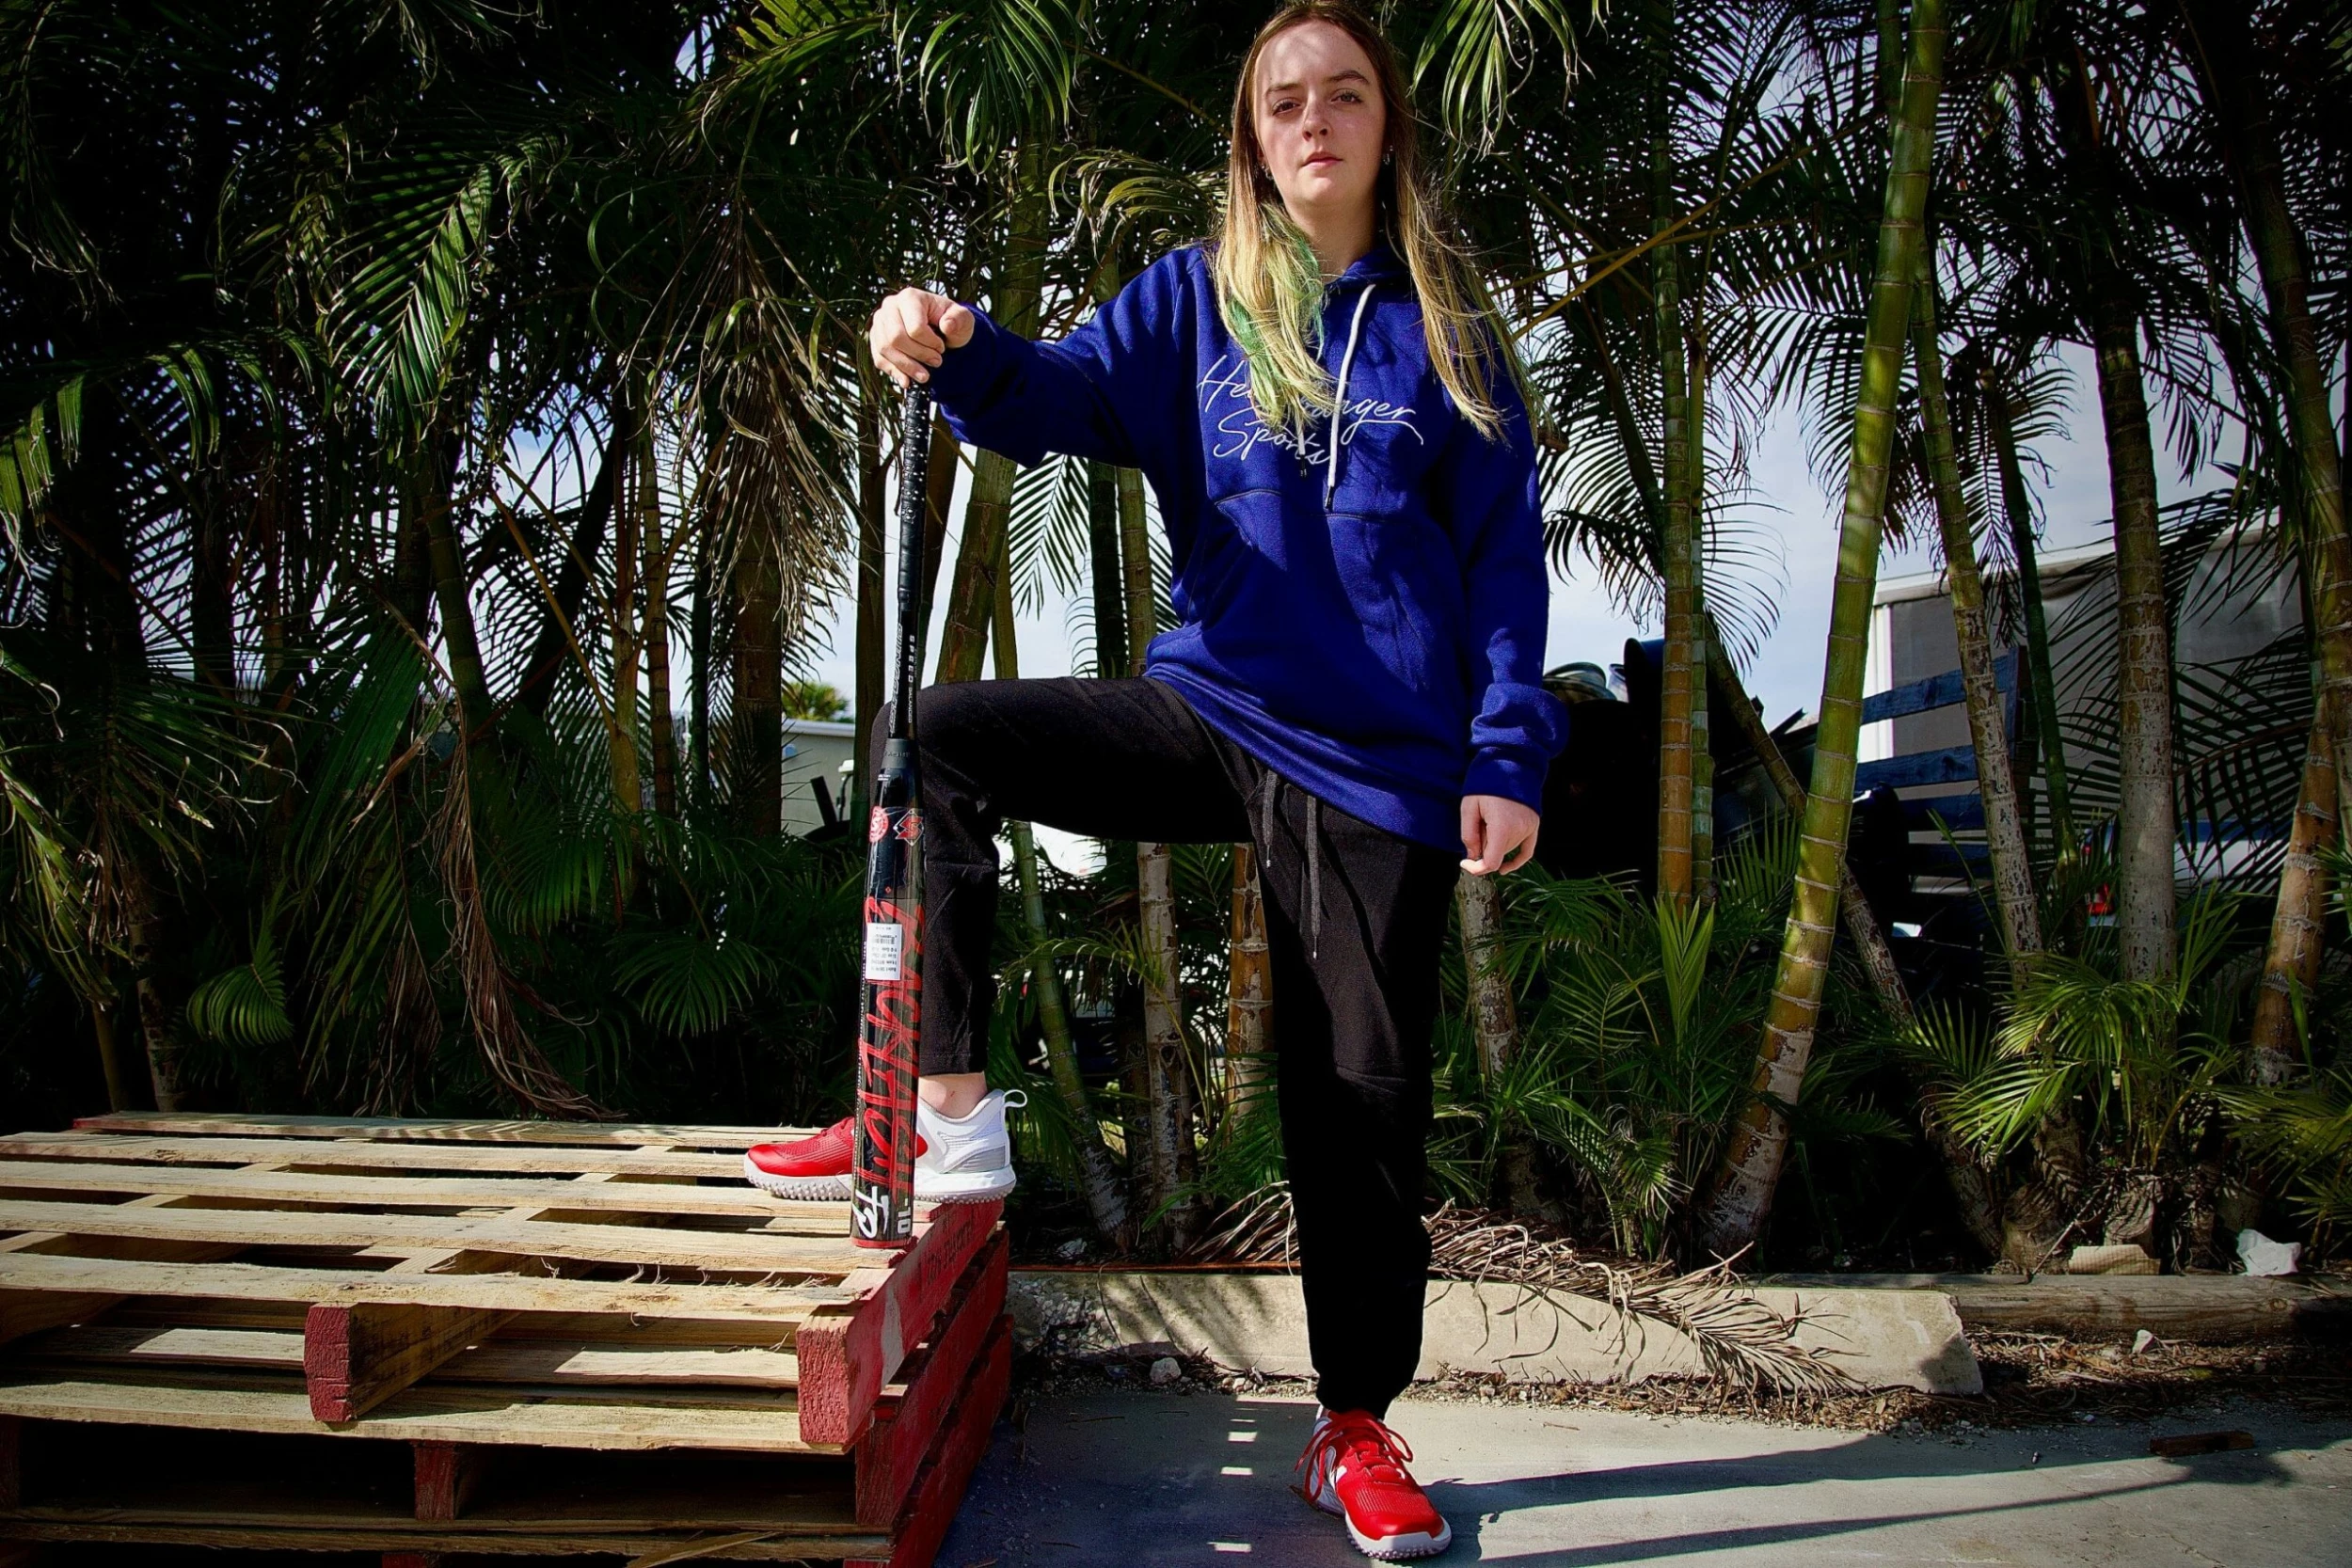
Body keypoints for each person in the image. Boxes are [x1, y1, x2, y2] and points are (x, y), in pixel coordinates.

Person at [744, 3, 1563, 1557]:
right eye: (1283, 101)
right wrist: (955, 338)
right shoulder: (1197, 299)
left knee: (1360, 1105)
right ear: (1251, 137)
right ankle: (940, 1110)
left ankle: (1355, 1422)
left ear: (1386, 124)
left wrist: (1507, 750)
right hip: (1214, 706)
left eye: (1342, 94)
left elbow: (1505, 559)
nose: (1313, 120)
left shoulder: (1450, 333)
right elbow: (1053, 395)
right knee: (938, 733)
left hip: (1379, 758)